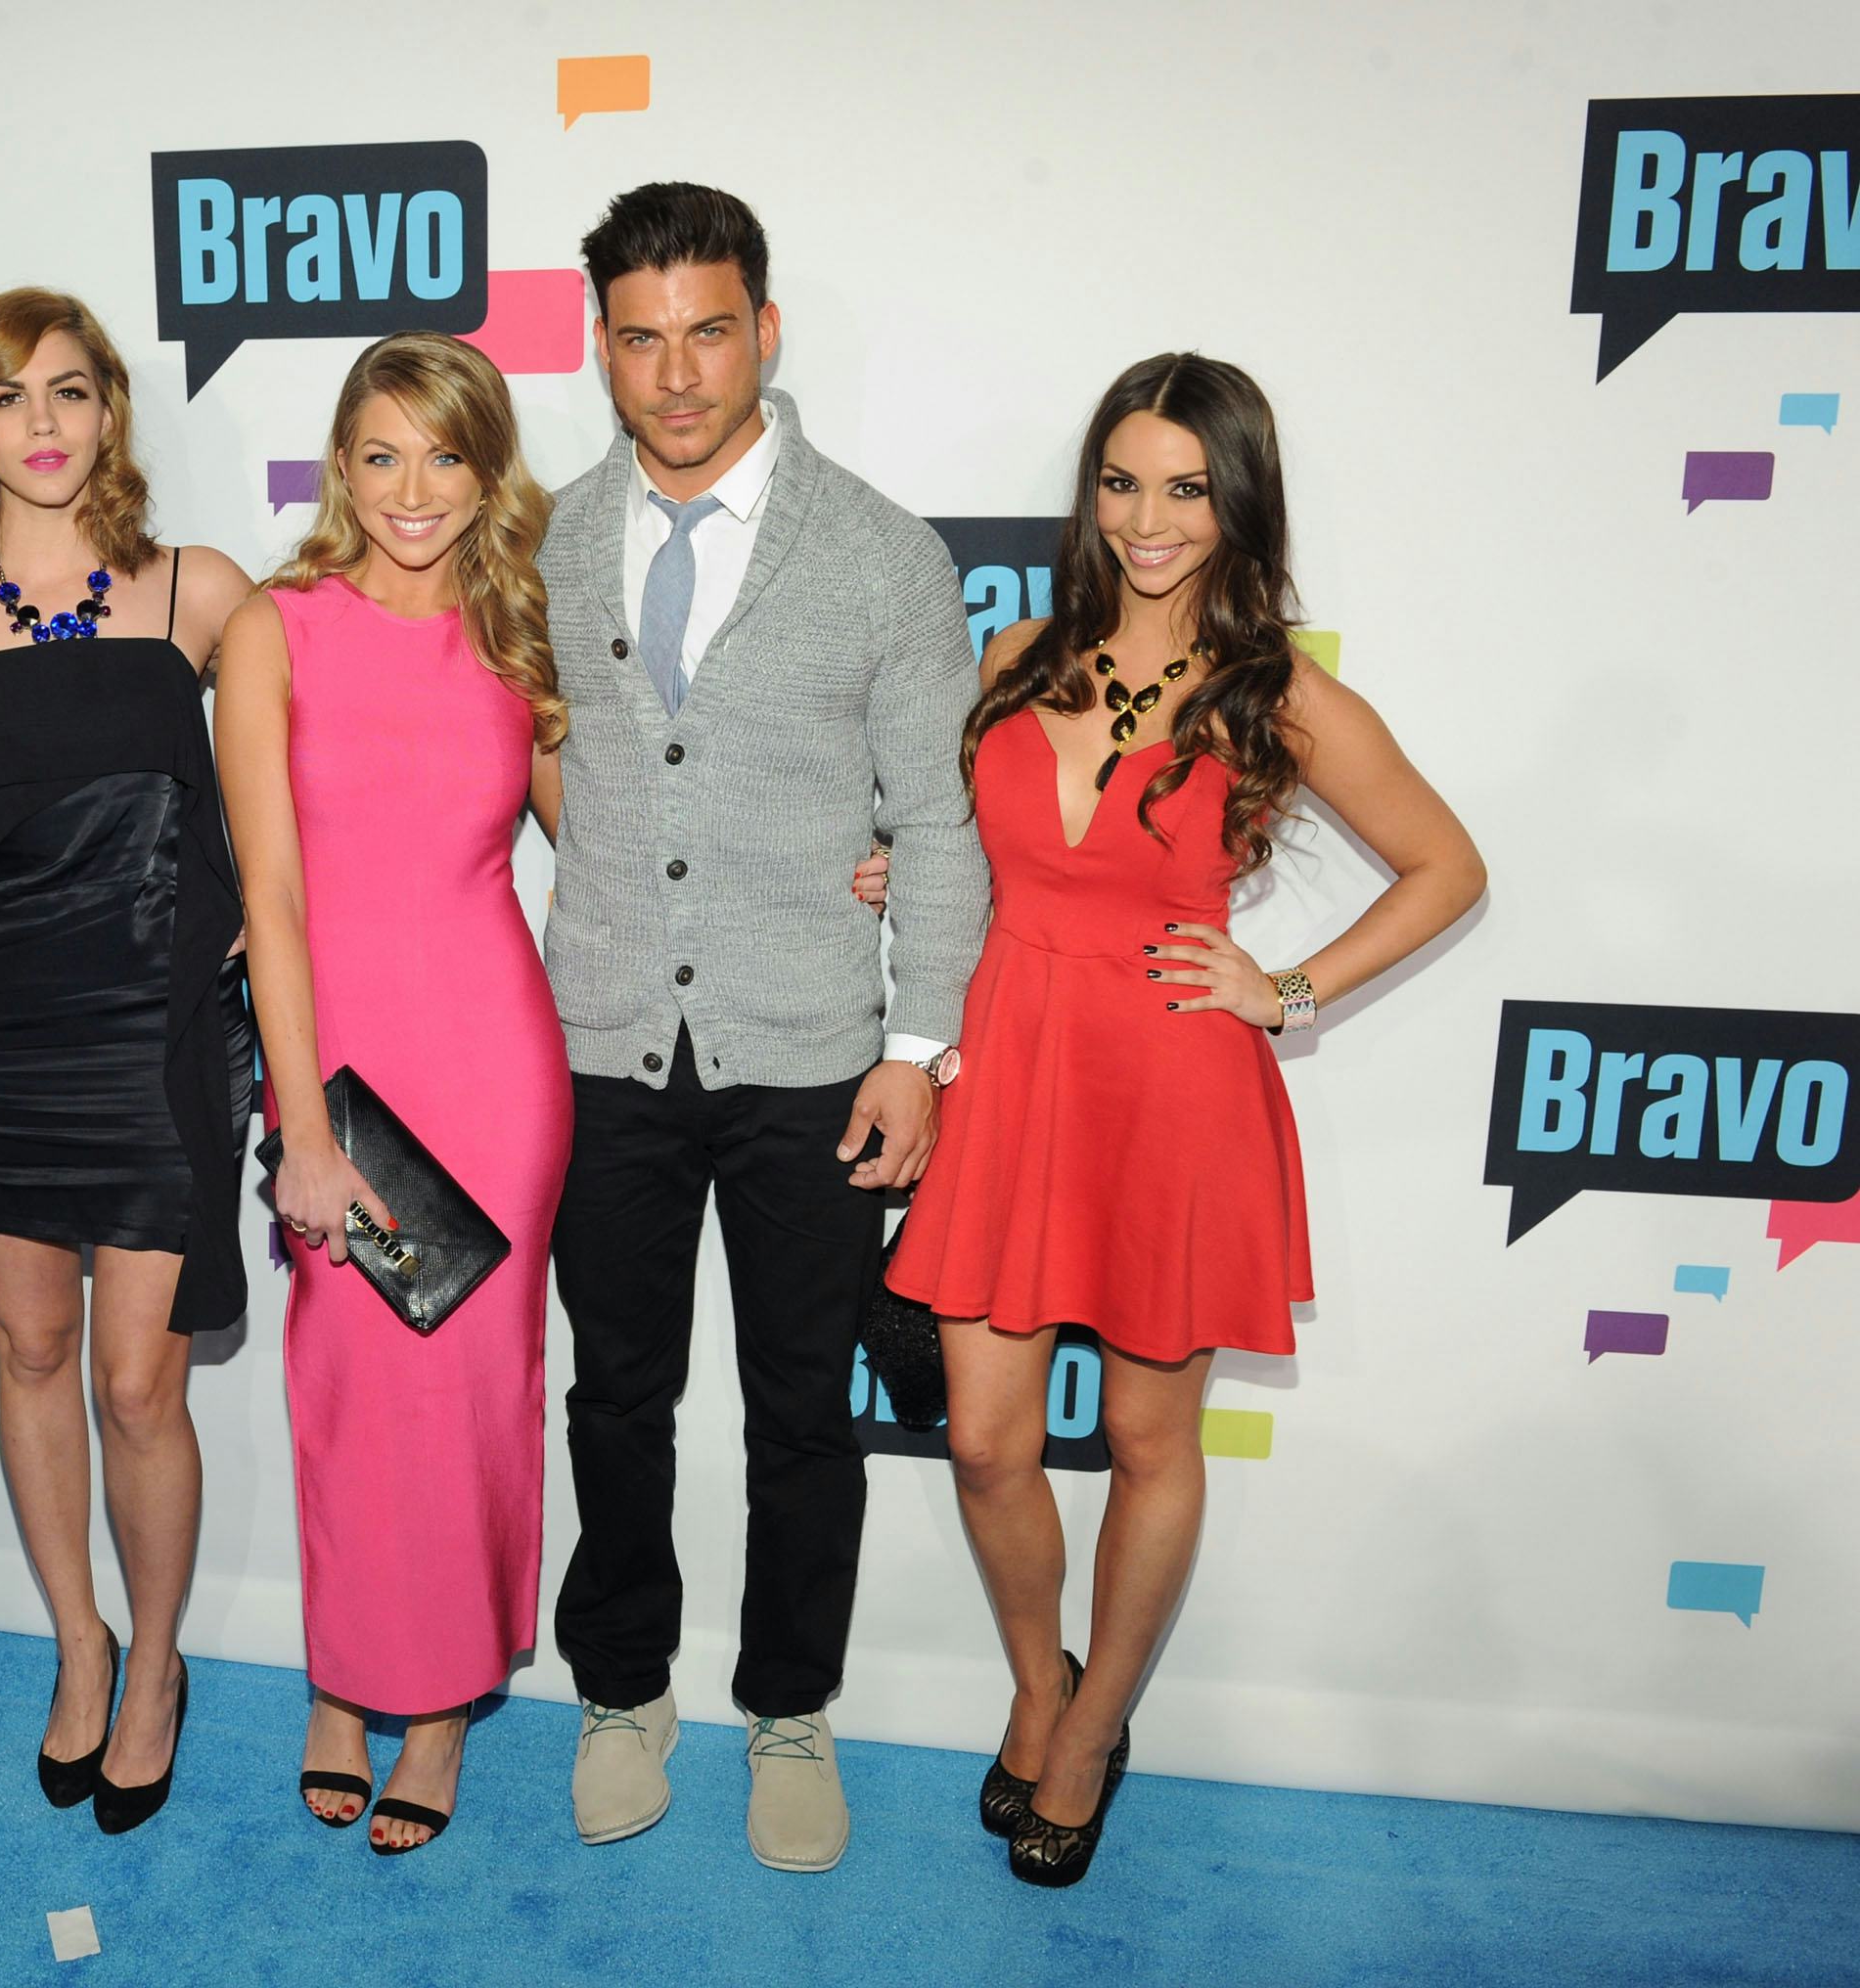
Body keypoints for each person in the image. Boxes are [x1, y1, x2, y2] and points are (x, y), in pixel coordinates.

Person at [886, 353, 1484, 1885]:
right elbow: (979, 852)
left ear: (1238, 504)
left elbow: (1448, 866)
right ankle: (1039, 1687)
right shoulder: (1016, 655)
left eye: (1186, 489)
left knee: (1150, 1440)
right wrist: (913, 875)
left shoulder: (1277, 693)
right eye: (1122, 482)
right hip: (1011, 1072)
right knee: (986, 1441)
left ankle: (1092, 1732)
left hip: (1169, 1090)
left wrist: (1285, 989)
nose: (1148, 520)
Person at [543, 183, 991, 1875]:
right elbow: (543, 750)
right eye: (641, 338)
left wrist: (920, 1047)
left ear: (767, 332)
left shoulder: (880, 553)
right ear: (601, 347)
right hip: (603, 1047)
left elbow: (937, 821)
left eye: (709, 332)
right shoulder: (549, 539)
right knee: (615, 1398)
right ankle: (621, 1688)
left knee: (803, 1410)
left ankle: (791, 1708)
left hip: (813, 1053)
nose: (677, 375)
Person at [0, 289, 254, 1835]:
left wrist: (250, 920)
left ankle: (156, 1663)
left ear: (110, 414)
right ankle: (78, 1646)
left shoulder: (199, 593)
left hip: (156, 1045)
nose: (43, 422)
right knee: (30, 1355)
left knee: (138, 1383)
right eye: (9, 394)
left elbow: (309, 786)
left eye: (71, 390)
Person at [214, 334, 569, 1854]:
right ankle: (346, 1683)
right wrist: (299, 1126)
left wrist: (848, 866)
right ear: (340, 467)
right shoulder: (272, 628)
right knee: (352, 1383)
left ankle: (440, 1708)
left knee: (476, 1384)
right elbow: (272, 897)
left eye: (444, 455)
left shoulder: (520, 635)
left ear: (487, 473)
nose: (411, 489)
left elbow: (620, 844)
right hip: (339, 1068)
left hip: (495, 1060)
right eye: (380, 454)